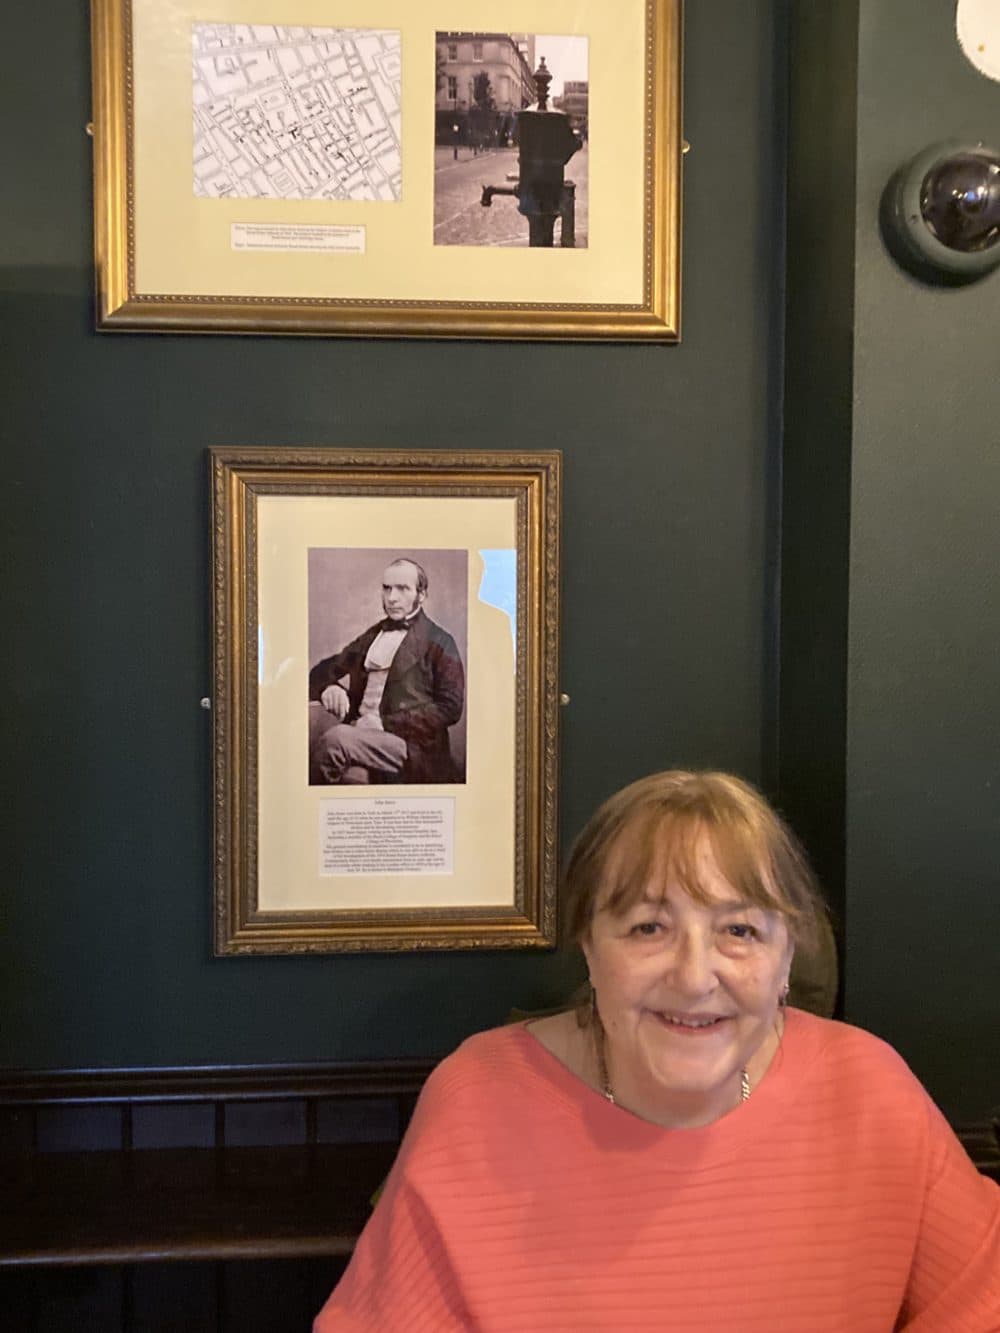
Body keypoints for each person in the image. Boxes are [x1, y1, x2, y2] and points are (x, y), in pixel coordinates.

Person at [313, 770, 1000, 1331]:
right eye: (648, 926)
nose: (695, 975)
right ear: (589, 944)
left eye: (739, 930)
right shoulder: (479, 1097)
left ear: (788, 956)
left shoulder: (869, 1087)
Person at [308, 557, 465, 785]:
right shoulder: (374, 635)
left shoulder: (440, 641)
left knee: (335, 740)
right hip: (363, 736)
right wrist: (329, 687)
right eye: (387, 588)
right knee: (350, 778)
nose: (391, 598)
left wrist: (385, 722)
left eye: (402, 589)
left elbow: (450, 708)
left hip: (411, 745)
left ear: (421, 595)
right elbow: (322, 670)